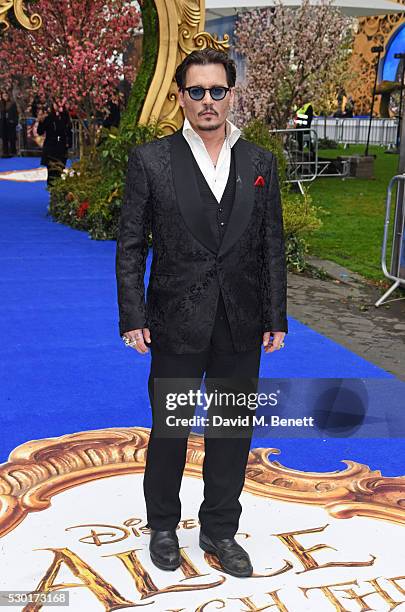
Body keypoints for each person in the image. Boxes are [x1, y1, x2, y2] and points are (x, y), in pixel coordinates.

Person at [116, 48, 288, 578]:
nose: (208, 101)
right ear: (181, 98)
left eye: (217, 90)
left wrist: (275, 315)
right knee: (171, 429)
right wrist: (132, 315)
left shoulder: (260, 163)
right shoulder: (151, 161)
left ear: (232, 94)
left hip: (241, 318)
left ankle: (219, 530)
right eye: (197, 91)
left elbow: (271, 244)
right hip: (174, 318)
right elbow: (129, 246)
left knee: (232, 431)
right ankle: (163, 526)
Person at [36, 99, 73, 187]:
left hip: (62, 147)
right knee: (51, 171)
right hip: (51, 148)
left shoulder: (66, 117)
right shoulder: (48, 118)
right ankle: (51, 190)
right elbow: (40, 131)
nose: (58, 106)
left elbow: (68, 132)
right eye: (56, 104)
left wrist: (69, 143)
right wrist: (40, 121)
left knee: (60, 170)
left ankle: (58, 190)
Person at [0, 92, 19, 158]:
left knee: (12, 138)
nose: (5, 96)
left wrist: (15, 122)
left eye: (6, 95)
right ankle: (5, 153)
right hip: (3, 124)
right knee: (4, 138)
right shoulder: (1, 104)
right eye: (4, 95)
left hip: (11, 123)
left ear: (8, 96)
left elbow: (16, 114)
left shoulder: (12, 103)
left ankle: (13, 152)